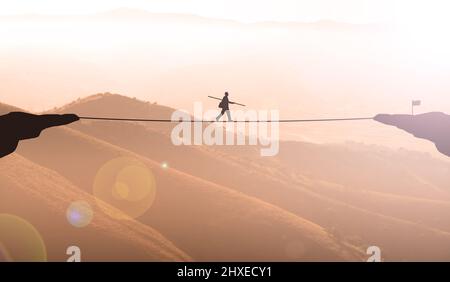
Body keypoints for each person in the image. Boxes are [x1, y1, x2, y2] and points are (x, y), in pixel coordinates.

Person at [0, 112, 79, 158]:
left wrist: (67, 118)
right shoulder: (16, 121)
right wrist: (68, 118)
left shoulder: (16, 121)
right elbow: (45, 120)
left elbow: (45, 120)